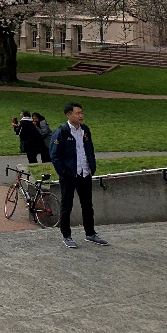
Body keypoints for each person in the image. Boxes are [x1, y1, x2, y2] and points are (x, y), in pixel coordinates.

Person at [50, 101, 109, 249]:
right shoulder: (62, 132)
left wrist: (91, 166)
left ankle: (90, 233)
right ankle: (66, 235)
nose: (81, 116)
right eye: (77, 113)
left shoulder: (85, 130)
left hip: (84, 173)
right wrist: (63, 172)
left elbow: (89, 149)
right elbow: (54, 155)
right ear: (68, 115)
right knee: (67, 205)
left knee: (87, 205)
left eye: (82, 113)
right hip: (69, 175)